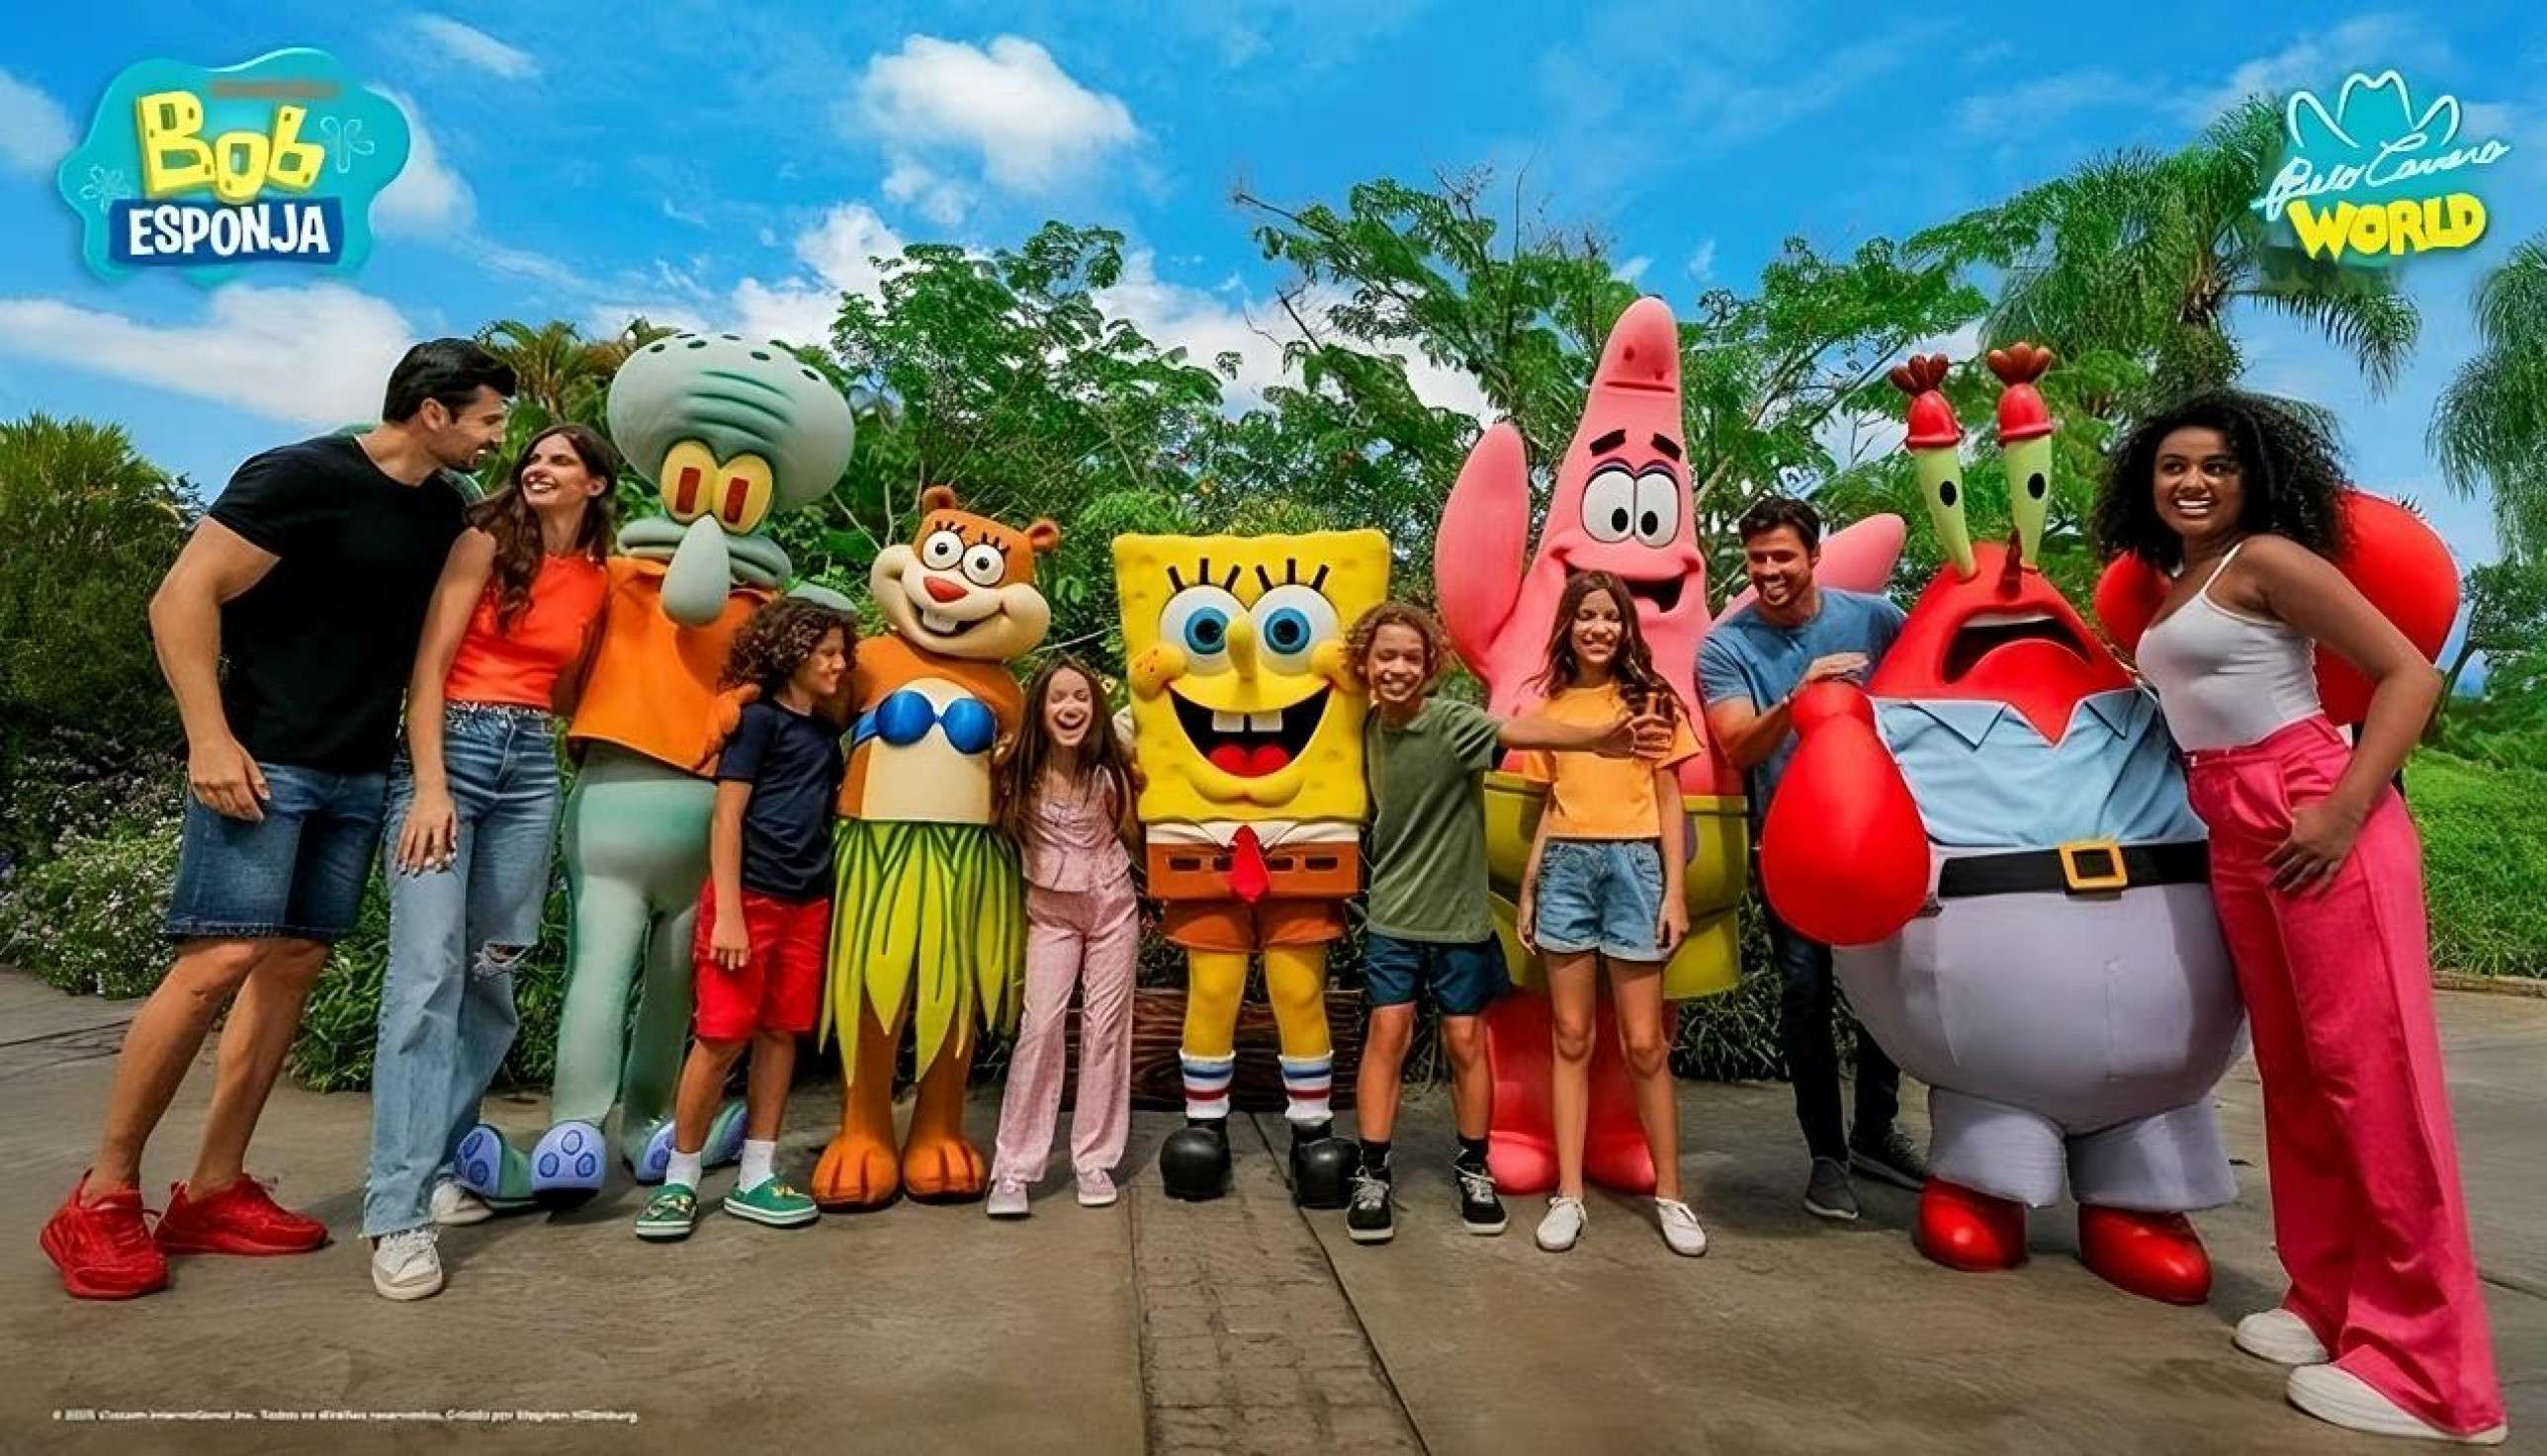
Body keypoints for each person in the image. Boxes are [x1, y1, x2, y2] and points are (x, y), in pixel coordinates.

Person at [38, 340, 513, 1301]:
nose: (497, 439)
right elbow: (181, 598)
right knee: (214, 961)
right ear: (432, 413)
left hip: (353, 774)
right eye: (488, 421)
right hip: (262, 764)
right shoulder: (300, 475)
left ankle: (211, 1189)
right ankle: (102, 1195)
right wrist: (209, 739)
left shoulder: (441, 513)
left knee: (293, 964)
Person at [2099, 391, 2504, 1446]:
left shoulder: (2267, 561)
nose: (2191, 482)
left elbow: (2405, 676)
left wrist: (2342, 808)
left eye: (2216, 468)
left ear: (2254, 480)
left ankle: (2432, 1374)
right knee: (2294, 1077)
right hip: (2230, 827)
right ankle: (2328, 1301)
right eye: (2172, 466)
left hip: (2311, 808)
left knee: (2374, 1083)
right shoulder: (2176, 582)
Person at [362, 424, 616, 1301]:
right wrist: (430, 785)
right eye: (532, 458)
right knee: (426, 974)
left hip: (532, 767)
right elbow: (425, 669)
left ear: (594, 483)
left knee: (491, 970)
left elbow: (579, 684)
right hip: (453, 756)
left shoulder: (597, 577)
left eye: (560, 460)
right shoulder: (480, 543)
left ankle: (437, 1165)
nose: (538, 468)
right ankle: (397, 1213)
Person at [1343, 601, 1663, 1245]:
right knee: (1389, 1032)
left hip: (1457, 919)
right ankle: (1372, 1169)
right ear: (1365, 664)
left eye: (1411, 656)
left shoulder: (1452, 723)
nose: (1398, 667)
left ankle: (1472, 1165)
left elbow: (1525, 731)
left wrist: (1597, 739)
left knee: (1466, 1041)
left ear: (1430, 665)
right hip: (1392, 915)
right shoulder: (1362, 726)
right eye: (1386, 656)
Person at [1697, 496, 1928, 1223]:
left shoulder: (1875, 618)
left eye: (1782, 557)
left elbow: (1926, 694)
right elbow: (1737, 745)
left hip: (1880, 836)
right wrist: (1798, 696)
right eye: (1756, 558)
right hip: (1789, 845)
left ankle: (1874, 1130)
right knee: (1805, 995)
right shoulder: (1726, 646)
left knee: (1884, 991)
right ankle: (1825, 1154)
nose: (1768, 571)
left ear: (1814, 554)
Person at [635, 599, 852, 1242]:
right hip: (748, 900)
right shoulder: (756, 722)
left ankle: (757, 1172)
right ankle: (680, 1179)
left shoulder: (823, 734)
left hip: (807, 903)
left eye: (845, 653)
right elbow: (726, 816)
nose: (840, 665)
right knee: (720, 1037)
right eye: (828, 652)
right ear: (793, 652)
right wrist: (728, 911)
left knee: (782, 1033)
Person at [1514, 572, 1707, 1257]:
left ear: (1627, 628)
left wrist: (1673, 892)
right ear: (1567, 626)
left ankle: (1671, 1194)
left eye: (1610, 617)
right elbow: (1548, 804)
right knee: (1570, 1035)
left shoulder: (1652, 701)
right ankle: (1568, 1194)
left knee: (1645, 1043)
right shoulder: (1553, 706)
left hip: (1635, 869)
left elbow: (1669, 796)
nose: (1598, 627)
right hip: (1566, 865)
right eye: (1586, 616)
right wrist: (1532, 885)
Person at [985, 658, 1143, 1219]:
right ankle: (1014, 1169)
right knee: (1041, 1027)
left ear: (1094, 707)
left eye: (1080, 697)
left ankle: (1094, 1159)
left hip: (1111, 907)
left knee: (1105, 1029)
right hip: (1050, 913)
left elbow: (1148, 716)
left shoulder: (1110, 772)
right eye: (1058, 698)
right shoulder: (1015, 770)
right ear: (1040, 708)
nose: (1070, 707)